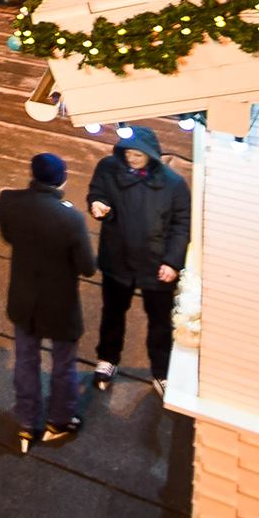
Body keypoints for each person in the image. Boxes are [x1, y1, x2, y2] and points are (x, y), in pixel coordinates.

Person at [0, 152, 96, 451]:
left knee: (26, 361)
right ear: (62, 179)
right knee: (63, 365)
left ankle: (27, 423)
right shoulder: (70, 218)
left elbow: (8, 236)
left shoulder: (9, 201)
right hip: (59, 304)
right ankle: (60, 419)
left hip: (24, 300)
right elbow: (87, 267)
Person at [87, 127, 191, 395]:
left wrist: (172, 262)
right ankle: (108, 359)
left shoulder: (174, 184)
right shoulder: (108, 168)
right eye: (128, 153)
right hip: (117, 259)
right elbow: (97, 192)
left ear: (151, 155)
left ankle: (161, 371)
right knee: (112, 314)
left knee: (159, 321)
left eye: (138, 154)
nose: (132, 159)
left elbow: (182, 225)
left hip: (156, 265)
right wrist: (97, 205)